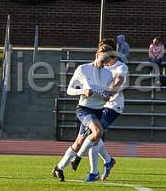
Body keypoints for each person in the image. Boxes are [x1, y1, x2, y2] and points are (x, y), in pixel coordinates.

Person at [53, 43, 115, 181]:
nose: (104, 63)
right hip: (84, 109)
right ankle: (79, 158)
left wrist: (108, 96)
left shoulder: (108, 74)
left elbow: (109, 93)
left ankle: (59, 168)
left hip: (98, 110)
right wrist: (83, 91)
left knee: (79, 142)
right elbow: (69, 90)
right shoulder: (83, 69)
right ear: (97, 55)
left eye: (107, 60)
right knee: (98, 132)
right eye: (103, 59)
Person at [69, 43, 127, 181]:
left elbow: (119, 80)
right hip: (98, 105)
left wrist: (109, 91)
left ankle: (93, 168)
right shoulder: (100, 66)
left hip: (113, 106)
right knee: (95, 135)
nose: (105, 61)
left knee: (95, 134)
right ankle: (106, 162)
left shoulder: (120, 66)